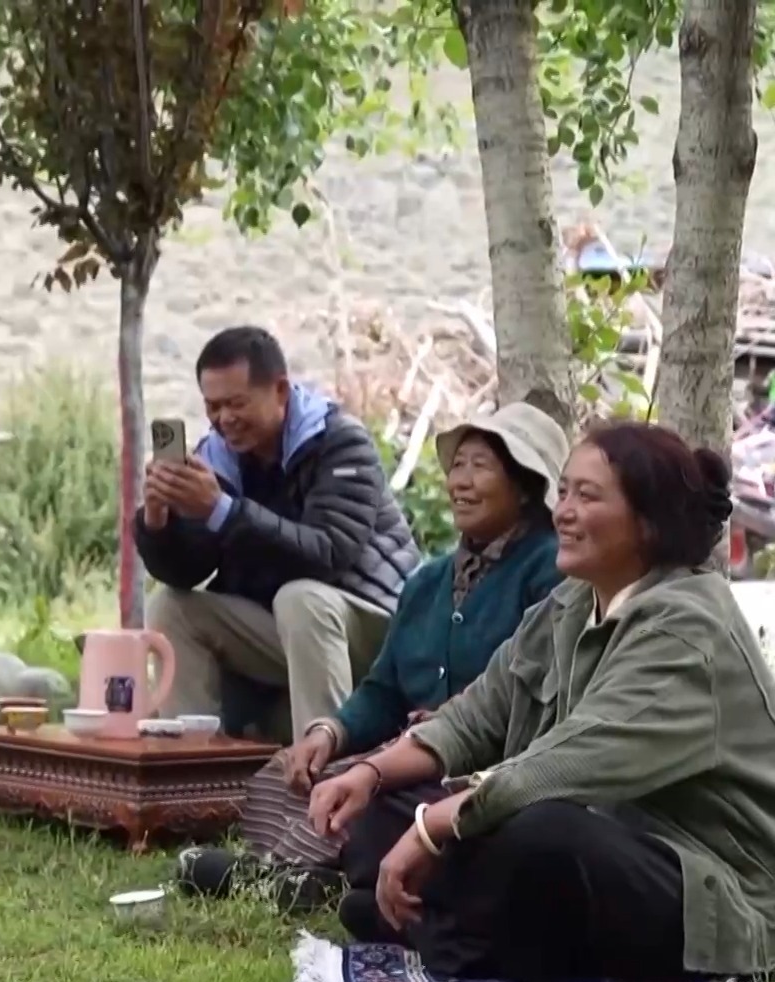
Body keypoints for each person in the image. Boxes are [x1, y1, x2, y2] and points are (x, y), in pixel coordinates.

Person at [307, 421, 775, 981]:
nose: (564, 513)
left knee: (540, 832)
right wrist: (371, 773)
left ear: (648, 522)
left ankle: (456, 938)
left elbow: (568, 763)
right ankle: (455, 925)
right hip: (603, 846)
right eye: (565, 491)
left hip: (711, 891)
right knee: (386, 810)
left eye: (588, 496)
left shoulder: (688, 628)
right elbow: (478, 713)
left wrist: (433, 828)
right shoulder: (572, 603)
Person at [177, 402, 567, 909]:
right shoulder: (428, 581)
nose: (461, 482)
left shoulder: (549, 570)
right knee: (288, 778)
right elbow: (383, 689)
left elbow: (525, 689)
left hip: (480, 763)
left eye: (481, 466)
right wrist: (328, 733)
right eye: (458, 466)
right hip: (409, 751)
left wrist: (441, 729)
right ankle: (300, 875)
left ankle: (318, 878)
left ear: (524, 486)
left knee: (385, 802)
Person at [139, 326, 421, 741]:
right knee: (170, 606)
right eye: (213, 407)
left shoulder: (341, 442)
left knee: (301, 598)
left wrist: (222, 510)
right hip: (291, 629)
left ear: (281, 391)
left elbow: (328, 554)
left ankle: (323, 768)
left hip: (377, 628)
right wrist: (158, 519)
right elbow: (187, 570)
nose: (225, 419)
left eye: (237, 403)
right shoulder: (217, 458)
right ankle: (193, 766)